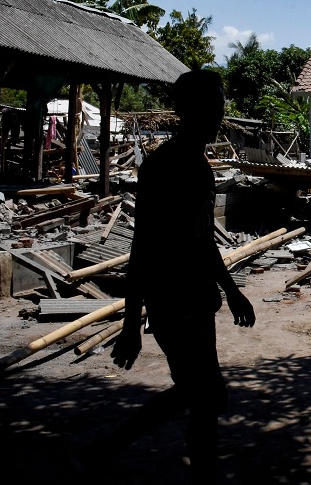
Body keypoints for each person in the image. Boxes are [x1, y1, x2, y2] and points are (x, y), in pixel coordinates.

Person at [108, 68, 256, 482]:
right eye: (210, 108)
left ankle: (201, 470)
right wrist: (130, 324)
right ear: (185, 111)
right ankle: (106, 448)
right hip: (172, 301)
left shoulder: (199, 167)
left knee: (204, 397)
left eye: (220, 108)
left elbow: (203, 240)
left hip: (199, 299)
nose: (216, 116)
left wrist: (231, 291)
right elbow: (142, 247)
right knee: (202, 394)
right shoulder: (164, 168)